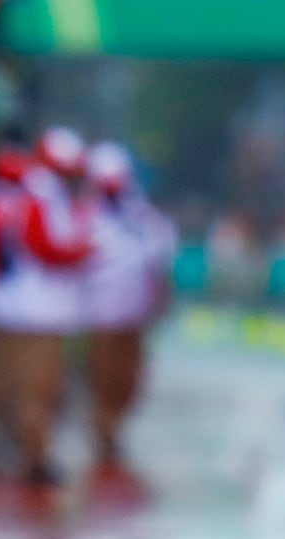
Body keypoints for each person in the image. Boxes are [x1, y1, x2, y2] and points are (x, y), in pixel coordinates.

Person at [0, 129, 92, 489]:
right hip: (36, 313)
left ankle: (22, 451)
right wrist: (83, 252)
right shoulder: (39, 193)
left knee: (21, 388)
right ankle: (32, 456)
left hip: (14, 309)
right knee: (38, 389)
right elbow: (43, 247)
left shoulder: (10, 193)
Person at [78, 140, 176, 476]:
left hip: (134, 318)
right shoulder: (82, 215)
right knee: (103, 377)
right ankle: (103, 430)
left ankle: (114, 425)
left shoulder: (142, 217)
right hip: (98, 318)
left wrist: (161, 300)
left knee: (131, 380)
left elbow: (159, 261)